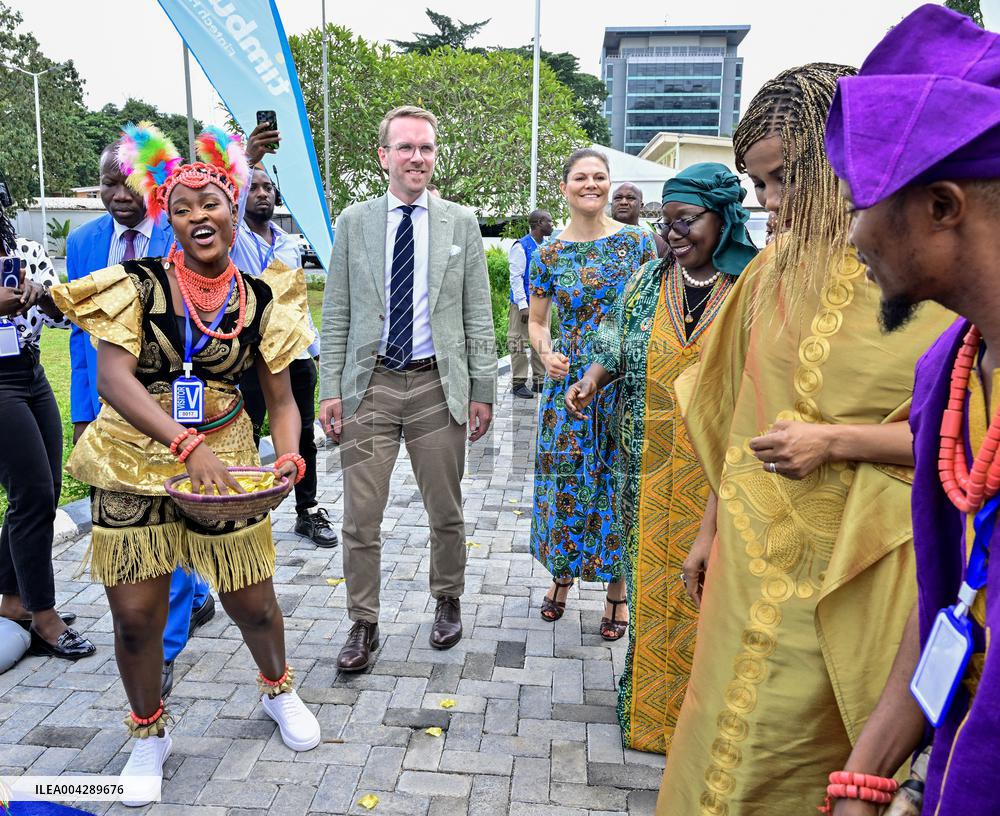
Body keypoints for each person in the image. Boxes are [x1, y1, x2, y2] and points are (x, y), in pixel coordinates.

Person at [654, 64, 954, 814]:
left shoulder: (928, 280)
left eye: (785, 179)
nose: (771, 205)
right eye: (759, 187)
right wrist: (708, 527)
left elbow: (970, 444)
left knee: (802, 754)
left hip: (857, 575)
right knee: (714, 737)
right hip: (747, 565)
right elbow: (736, 413)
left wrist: (838, 441)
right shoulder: (770, 272)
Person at [51, 123, 321, 804]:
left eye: (212, 203)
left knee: (253, 605)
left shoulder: (262, 300)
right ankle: (148, 734)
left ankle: (277, 690)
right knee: (137, 618)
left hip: (226, 465)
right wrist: (185, 444)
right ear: (166, 219)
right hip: (130, 459)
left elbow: (283, 399)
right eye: (183, 208)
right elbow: (114, 380)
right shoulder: (134, 286)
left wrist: (288, 454)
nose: (199, 217)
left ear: (234, 210)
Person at [823, 7, 1000, 815]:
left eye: (863, 200)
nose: (852, 232)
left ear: (942, 207)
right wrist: (865, 777)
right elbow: (954, 609)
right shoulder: (948, 373)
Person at [566, 162, 757, 752]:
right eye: (666, 221)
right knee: (655, 590)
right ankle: (651, 721)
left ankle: (710, 728)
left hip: (721, 476)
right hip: (646, 472)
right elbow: (616, 340)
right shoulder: (651, 281)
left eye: (687, 220)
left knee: (718, 599)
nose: (674, 233)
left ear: (723, 218)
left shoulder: (754, 284)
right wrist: (592, 379)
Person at [319, 106, 496, 671]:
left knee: (445, 508)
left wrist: (483, 389)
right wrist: (330, 390)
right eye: (405, 148)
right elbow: (338, 310)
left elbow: (478, 313)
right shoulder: (354, 222)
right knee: (359, 516)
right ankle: (363, 623)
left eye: (425, 148)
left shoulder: (460, 222)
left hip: (435, 387)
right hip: (368, 387)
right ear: (384, 157)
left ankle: (448, 599)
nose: (416, 157)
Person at [67, 140, 215, 699]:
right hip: (105, 404)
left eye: (130, 183)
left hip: (173, 405)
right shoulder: (82, 243)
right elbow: (85, 344)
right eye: (109, 183)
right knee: (135, 531)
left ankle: (166, 648)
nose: (119, 195)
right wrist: (85, 413)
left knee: (168, 514)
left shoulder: (180, 230)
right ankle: (184, 602)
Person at [527, 148, 658, 640]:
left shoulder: (637, 244)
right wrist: (545, 354)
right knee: (564, 486)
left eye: (599, 177)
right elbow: (538, 323)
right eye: (580, 177)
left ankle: (616, 594)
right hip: (567, 389)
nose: (591, 184)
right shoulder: (549, 254)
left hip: (622, 384)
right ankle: (561, 579)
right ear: (564, 188)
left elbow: (647, 310)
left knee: (617, 485)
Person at [230, 123, 337, 549]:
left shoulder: (290, 243)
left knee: (302, 434)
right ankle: (247, 510)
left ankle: (307, 511)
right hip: (249, 357)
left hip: (295, 354)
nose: (261, 192)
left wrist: (314, 349)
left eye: (267, 187)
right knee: (248, 430)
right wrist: (247, 159)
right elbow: (225, 203)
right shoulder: (233, 237)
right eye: (253, 186)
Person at [0, 208, 96, 661]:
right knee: (33, 492)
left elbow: (63, 318)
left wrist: (41, 296)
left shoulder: (26, 251)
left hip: (31, 373)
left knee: (45, 489)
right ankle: (43, 615)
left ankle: (14, 601)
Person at [508, 209, 552, 399]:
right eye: (549, 221)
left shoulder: (548, 246)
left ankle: (539, 380)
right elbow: (516, 277)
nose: (552, 224)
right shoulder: (521, 246)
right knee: (518, 340)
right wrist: (523, 304)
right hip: (524, 304)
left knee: (541, 340)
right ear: (539, 223)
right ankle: (518, 383)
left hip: (543, 303)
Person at [611, 182, 668, 257]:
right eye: (618, 198)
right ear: (612, 204)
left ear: (641, 206)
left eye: (630, 198)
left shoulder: (657, 242)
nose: (623, 202)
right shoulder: (597, 237)